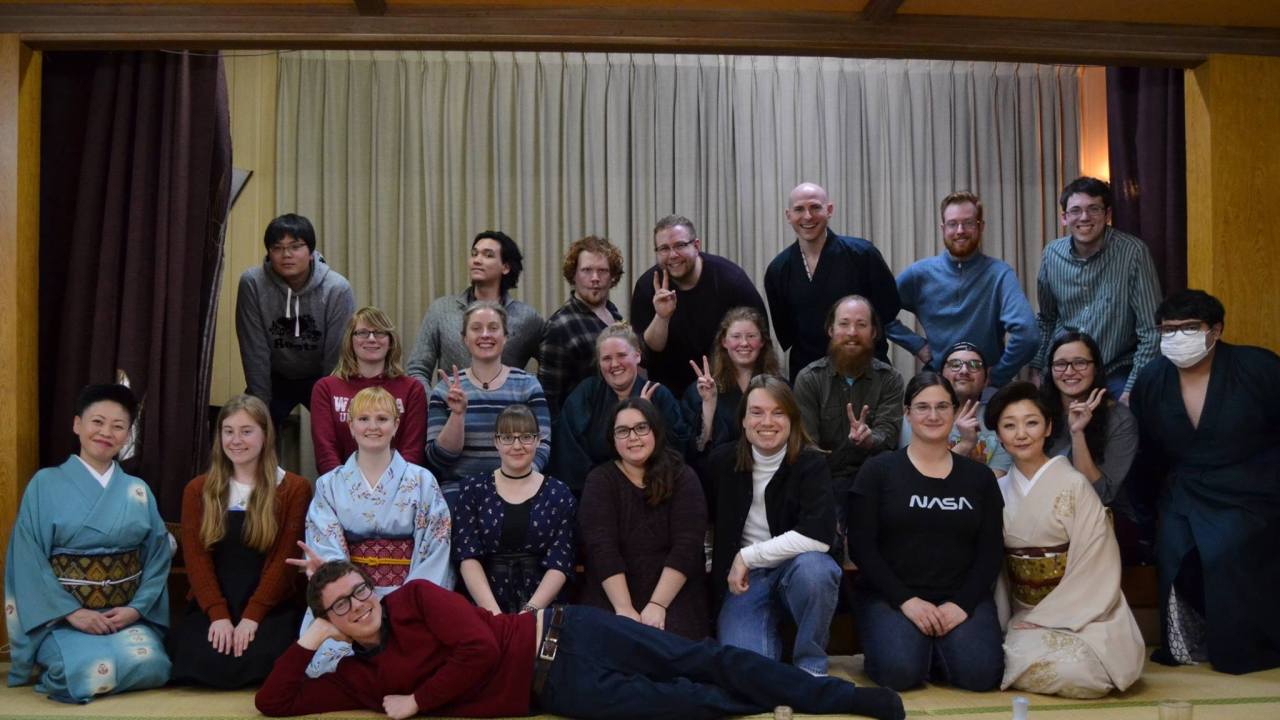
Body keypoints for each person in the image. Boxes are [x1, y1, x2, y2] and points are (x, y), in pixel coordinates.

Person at [255, 561, 906, 720]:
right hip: (558, 688)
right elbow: (274, 703)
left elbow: (481, 651)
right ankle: (774, 703)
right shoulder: (358, 679)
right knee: (686, 702)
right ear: (331, 620)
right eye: (343, 606)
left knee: (704, 658)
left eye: (362, 590)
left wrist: (417, 703)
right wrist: (310, 641)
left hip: (568, 629)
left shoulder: (417, 599)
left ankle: (843, 699)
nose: (361, 605)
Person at [1130, 289, 1280, 674]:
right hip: (1184, 487)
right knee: (1173, 550)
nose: (1177, 337)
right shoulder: (1152, 378)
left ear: (1216, 330)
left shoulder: (1258, 367)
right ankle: (1187, 644)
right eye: (1168, 329)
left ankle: (1244, 647)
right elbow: (1148, 452)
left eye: (1189, 327)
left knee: (1228, 548)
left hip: (1251, 486)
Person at [5, 384, 171, 702]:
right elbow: (28, 559)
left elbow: (158, 555)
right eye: (97, 422)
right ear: (77, 424)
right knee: (80, 671)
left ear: (127, 435)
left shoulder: (137, 490)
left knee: (155, 666)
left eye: (118, 426)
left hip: (122, 616)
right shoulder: (45, 484)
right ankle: (63, 655)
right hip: (64, 618)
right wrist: (72, 613)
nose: (106, 432)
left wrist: (135, 610)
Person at [847, 372, 1004, 692]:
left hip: (959, 596)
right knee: (899, 673)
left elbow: (990, 552)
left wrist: (961, 605)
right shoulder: (878, 471)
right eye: (922, 407)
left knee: (981, 676)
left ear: (955, 411)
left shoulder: (980, 478)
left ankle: (933, 648)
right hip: (893, 596)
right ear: (907, 413)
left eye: (942, 406)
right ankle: (917, 648)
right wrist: (907, 601)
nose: (933, 415)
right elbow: (862, 547)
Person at [986, 382, 1144, 698]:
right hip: (1026, 611)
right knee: (997, 662)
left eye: (1031, 423)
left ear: (1048, 427)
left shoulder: (1075, 485)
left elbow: (1096, 560)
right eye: (1009, 426)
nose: (1021, 434)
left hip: (1085, 609)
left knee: (1084, 671)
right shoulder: (997, 492)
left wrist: (1051, 616)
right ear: (999, 436)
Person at [302, 386, 454, 676]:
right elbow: (327, 547)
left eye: (382, 419)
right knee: (330, 665)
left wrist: (407, 603)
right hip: (350, 598)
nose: (373, 427)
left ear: (396, 425)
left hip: (408, 592)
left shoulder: (422, 481)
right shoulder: (329, 485)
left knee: (422, 660)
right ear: (350, 425)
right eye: (364, 419)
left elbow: (434, 547)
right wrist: (356, 597)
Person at [169, 395, 312, 688]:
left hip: (269, 605)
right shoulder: (197, 489)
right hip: (214, 604)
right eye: (228, 431)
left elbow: (284, 562)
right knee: (198, 660)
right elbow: (197, 561)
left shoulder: (294, 488)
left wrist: (252, 617)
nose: (236, 440)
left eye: (246, 431)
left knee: (267, 660)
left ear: (265, 435)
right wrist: (218, 616)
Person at [709, 375, 842, 676]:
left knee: (817, 570)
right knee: (748, 670)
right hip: (746, 582)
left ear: (792, 419)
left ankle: (811, 665)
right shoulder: (722, 463)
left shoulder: (811, 463)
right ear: (743, 420)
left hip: (796, 569)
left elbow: (818, 536)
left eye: (778, 412)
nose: (767, 422)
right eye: (757, 412)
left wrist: (747, 556)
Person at [578, 399, 708, 640]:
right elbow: (601, 547)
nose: (633, 437)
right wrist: (624, 609)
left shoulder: (682, 476)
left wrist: (658, 605)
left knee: (673, 649)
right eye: (622, 431)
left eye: (641, 428)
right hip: (613, 593)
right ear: (613, 439)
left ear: (655, 430)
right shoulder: (600, 480)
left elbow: (688, 545)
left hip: (672, 593)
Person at [1030, 177, 1162, 404]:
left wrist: (1131, 390)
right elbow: (1047, 320)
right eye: (1075, 210)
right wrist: (1036, 369)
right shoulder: (1052, 254)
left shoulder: (1133, 253)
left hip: (1113, 369)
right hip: (1063, 370)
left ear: (1107, 214)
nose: (1084, 217)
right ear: (1064, 217)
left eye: (1094, 209)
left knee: (1125, 419)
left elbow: (1151, 330)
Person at [886, 191, 1038, 387]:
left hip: (986, 392)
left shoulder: (1000, 275)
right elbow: (879, 312)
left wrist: (998, 375)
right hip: (938, 387)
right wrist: (917, 345)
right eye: (952, 224)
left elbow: (1028, 335)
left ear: (981, 227)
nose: (960, 230)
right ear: (943, 228)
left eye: (968, 223)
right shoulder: (919, 274)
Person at [765, 182, 902, 381]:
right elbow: (786, 331)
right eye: (799, 209)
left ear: (829, 210)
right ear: (788, 215)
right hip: (809, 377)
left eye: (815, 207)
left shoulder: (863, 255)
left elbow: (887, 310)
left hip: (866, 370)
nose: (808, 216)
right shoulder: (778, 270)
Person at [453, 405, 576, 615]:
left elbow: (560, 561)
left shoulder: (559, 493)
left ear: (538, 440)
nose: (517, 446)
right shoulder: (473, 489)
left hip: (543, 606)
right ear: (496, 442)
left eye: (526, 437)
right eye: (508, 438)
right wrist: (494, 615)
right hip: (484, 605)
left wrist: (529, 612)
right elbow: (468, 556)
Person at [425, 301, 552, 506]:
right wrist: (457, 415)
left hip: (518, 488)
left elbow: (543, 445)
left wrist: (516, 481)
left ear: (505, 337)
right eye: (476, 328)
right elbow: (438, 459)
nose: (485, 334)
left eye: (493, 328)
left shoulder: (528, 386)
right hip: (460, 492)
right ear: (465, 339)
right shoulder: (445, 389)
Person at [236, 212, 356, 427]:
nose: (286, 255)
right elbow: (254, 351)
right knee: (253, 426)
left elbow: (337, 355)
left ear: (311, 252)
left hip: (321, 374)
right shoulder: (252, 283)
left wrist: (331, 403)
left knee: (341, 426)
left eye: (295, 246)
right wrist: (260, 411)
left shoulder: (337, 288)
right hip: (274, 375)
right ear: (269, 252)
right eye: (277, 248)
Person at [629, 215, 768, 395]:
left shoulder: (730, 280)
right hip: (669, 392)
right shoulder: (647, 286)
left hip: (725, 389)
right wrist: (662, 317)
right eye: (664, 248)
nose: (672, 255)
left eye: (680, 245)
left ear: (696, 245)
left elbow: (760, 338)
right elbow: (646, 354)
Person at [793, 295, 904, 512]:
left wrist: (869, 439)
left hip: (875, 482)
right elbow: (808, 445)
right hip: (824, 480)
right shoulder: (809, 378)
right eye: (844, 324)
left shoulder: (890, 379)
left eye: (861, 324)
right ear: (830, 330)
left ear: (874, 332)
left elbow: (889, 435)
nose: (852, 332)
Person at [551, 323, 689, 495]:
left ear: (637, 356)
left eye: (622, 355)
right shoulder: (587, 393)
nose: (614, 364)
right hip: (596, 490)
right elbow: (568, 449)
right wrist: (600, 485)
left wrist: (648, 417)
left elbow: (677, 451)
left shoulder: (659, 395)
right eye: (606, 358)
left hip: (652, 488)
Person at [1039, 330, 1140, 554]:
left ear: (1096, 368)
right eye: (1061, 364)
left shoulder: (1120, 419)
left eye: (1080, 363)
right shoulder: (1037, 411)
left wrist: (1077, 433)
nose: (1069, 371)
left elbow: (1101, 494)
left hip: (1102, 519)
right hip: (1044, 513)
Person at [406, 230, 545, 385]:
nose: (477, 260)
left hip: (507, 400)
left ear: (505, 267)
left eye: (488, 255)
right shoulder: (441, 310)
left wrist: (531, 395)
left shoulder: (527, 317)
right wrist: (435, 399)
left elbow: (552, 368)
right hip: (449, 400)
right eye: (474, 254)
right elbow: (417, 369)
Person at [310, 306, 427, 475]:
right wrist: (347, 486)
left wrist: (389, 485)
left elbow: (413, 452)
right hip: (341, 485)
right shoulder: (326, 388)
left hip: (400, 485)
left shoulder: (412, 389)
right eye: (363, 333)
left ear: (390, 341)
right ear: (350, 340)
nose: (371, 339)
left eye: (379, 332)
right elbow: (325, 453)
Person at [538, 235, 625, 419]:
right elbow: (548, 398)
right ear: (574, 275)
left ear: (612, 277)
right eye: (587, 270)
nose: (595, 278)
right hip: (581, 428)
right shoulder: (560, 326)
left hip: (618, 422)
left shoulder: (614, 314)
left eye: (602, 271)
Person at [683, 306, 783, 463]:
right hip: (720, 472)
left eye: (751, 336)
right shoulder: (700, 390)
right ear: (724, 341)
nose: (744, 343)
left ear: (762, 341)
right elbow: (697, 450)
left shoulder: (780, 387)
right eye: (736, 336)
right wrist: (709, 405)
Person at [899, 342, 1012, 477]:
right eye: (954, 364)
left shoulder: (998, 419)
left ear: (986, 380)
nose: (964, 371)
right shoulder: (922, 416)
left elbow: (995, 480)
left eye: (974, 365)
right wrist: (965, 445)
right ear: (940, 376)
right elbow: (915, 474)